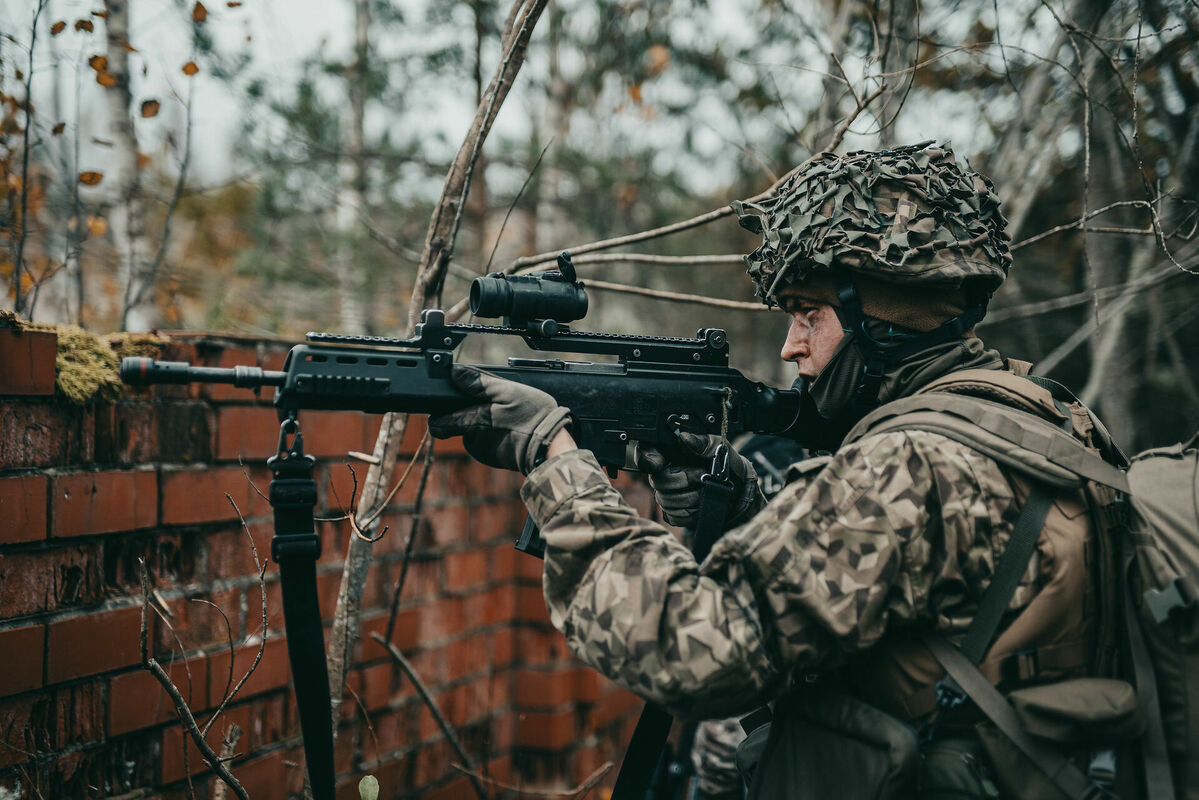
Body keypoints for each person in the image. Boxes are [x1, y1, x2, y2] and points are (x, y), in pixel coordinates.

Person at [429, 142, 1108, 798]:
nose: (790, 347)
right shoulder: (1048, 418)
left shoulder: (907, 463)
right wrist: (741, 504)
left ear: (885, 316)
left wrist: (556, 461)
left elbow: (697, 653)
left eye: (809, 313)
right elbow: (910, 596)